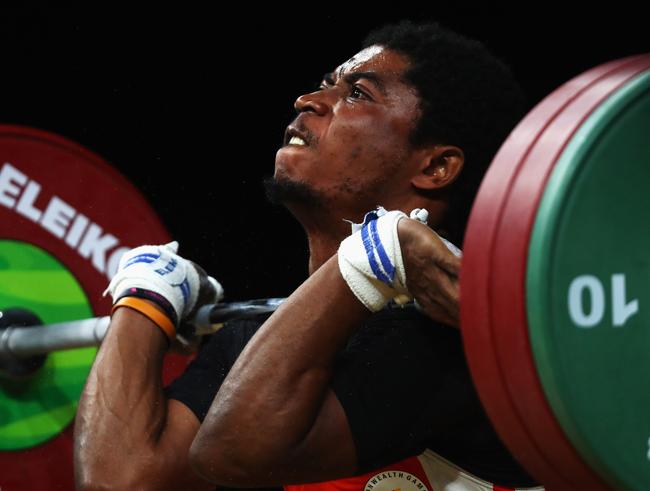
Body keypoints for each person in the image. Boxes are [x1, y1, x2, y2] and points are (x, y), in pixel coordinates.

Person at [74, 19, 542, 491]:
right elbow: (121, 481)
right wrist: (145, 297)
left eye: (357, 93)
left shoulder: (450, 340)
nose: (308, 101)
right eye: (326, 86)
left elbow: (230, 455)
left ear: (436, 166)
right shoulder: (256, 342)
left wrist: (366, 259)